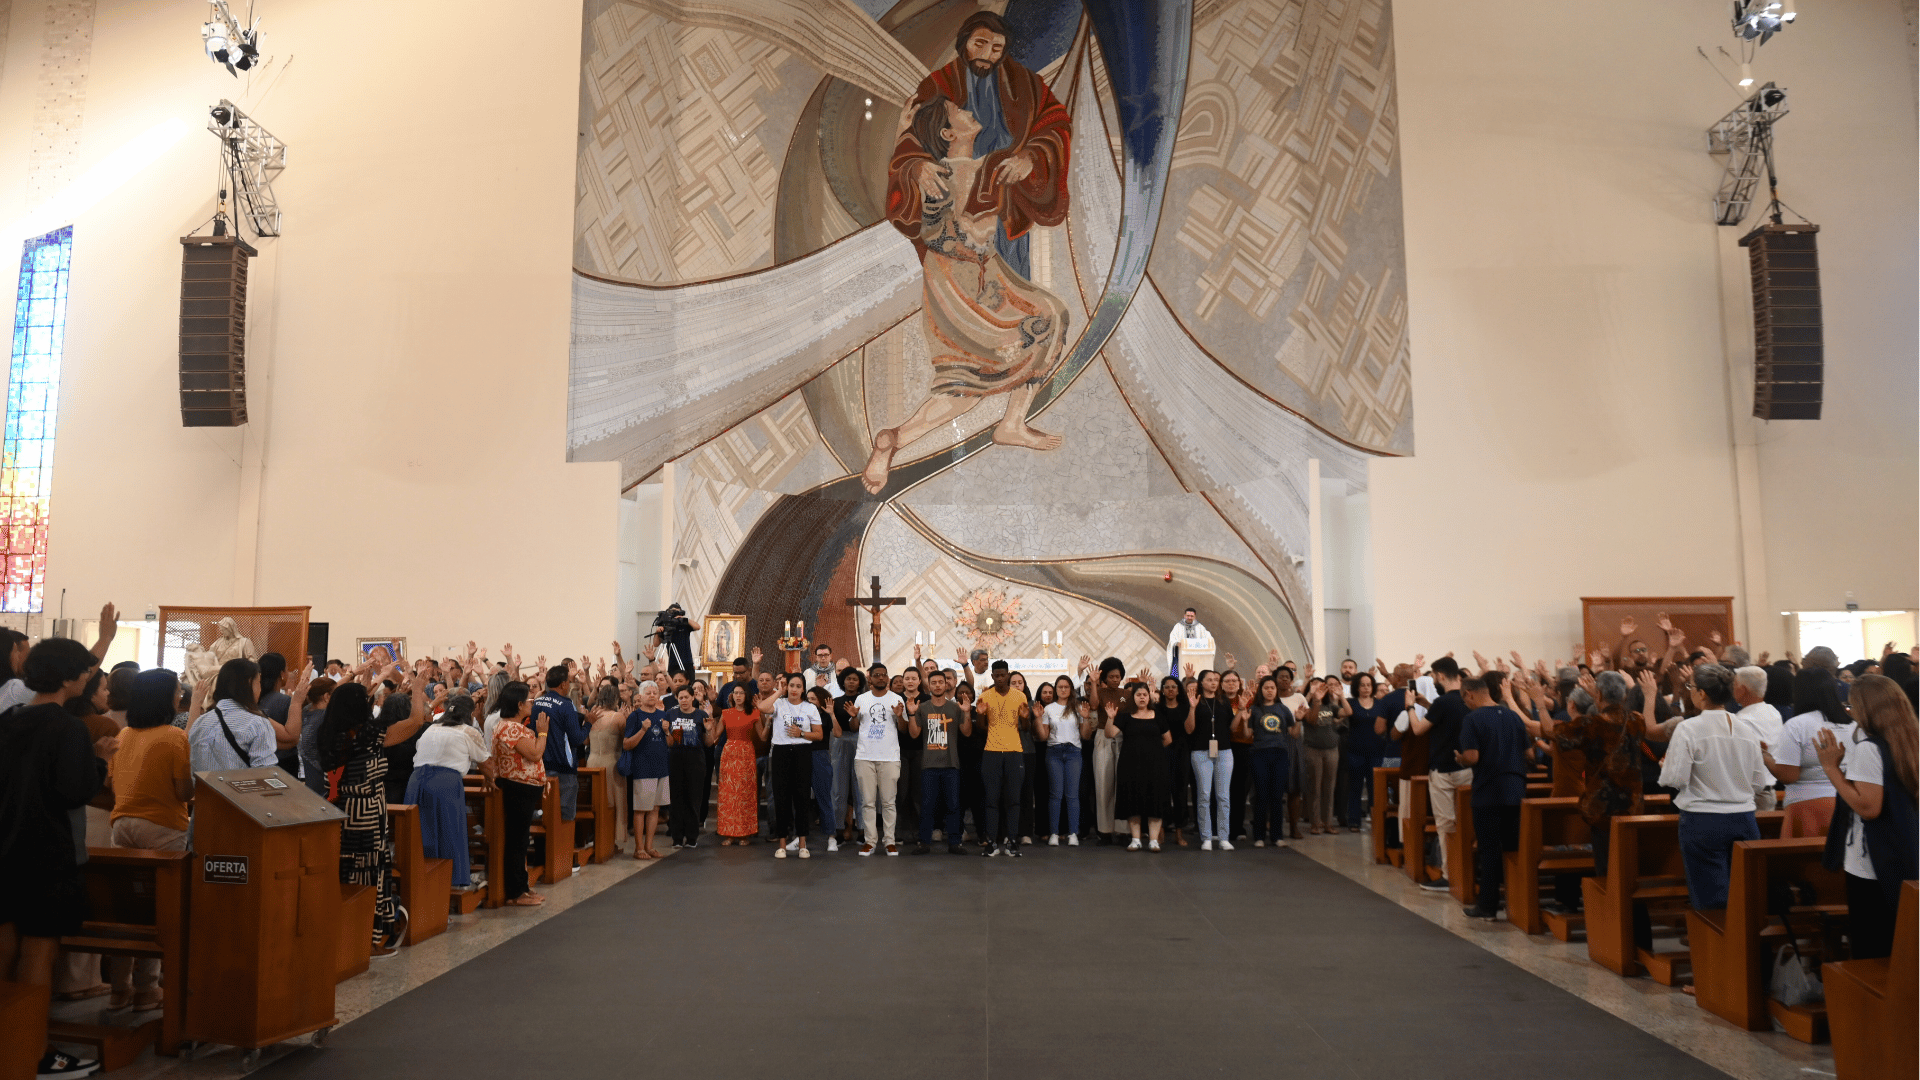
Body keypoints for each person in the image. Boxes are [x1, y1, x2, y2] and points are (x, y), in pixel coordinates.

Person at [866, 11, 1073, 493]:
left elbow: (1055, 126)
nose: (988, 56)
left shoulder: (1022, 88)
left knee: (976, 376)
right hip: (965, 274)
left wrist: (1032, 157)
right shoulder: (940, 93)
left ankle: (903, 439)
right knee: (1010, 347)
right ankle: (996, 423)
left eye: (997, 49)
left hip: (990, 255)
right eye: (980, 45)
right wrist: (915, 165)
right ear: (964, 42)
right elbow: (911, 157)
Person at [0, 637, 113, 1079]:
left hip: (5, 848)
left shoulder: (8, 719)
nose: (87, 677)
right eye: (83, 671)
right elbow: (73, 791)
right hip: (46, 852)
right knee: (38, 953)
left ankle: (5, 1048)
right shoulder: (67, 727)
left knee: (5, 949)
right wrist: (98, 761)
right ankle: (33, 1052)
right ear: (67, 677)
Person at [318, 672, 431, 951]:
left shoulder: (327, 731)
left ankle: (343, 932)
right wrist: (417, 689)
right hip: (366, 809)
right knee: (368, 870)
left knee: (345, 868)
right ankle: (367, 935)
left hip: (338, 807)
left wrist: (364, 686)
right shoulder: (367, 734)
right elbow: (415, 722)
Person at [100, 669, 188, 1012]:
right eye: (177, 691)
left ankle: (118, 990)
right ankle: (147, 989)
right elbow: (183, 791)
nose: (180, 696)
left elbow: (110, 784)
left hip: (122, 825)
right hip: (163, 827)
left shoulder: (123, 734)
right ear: (165, 698)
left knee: (127, 910)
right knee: (158, 910)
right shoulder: (174, 737)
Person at [1658, 664, 1774, 918]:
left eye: (1691, 687)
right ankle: (1745, 942)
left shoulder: (1688, 728)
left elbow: (1675, 778)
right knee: (1745, 896)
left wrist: (1666, 766)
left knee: (1711, 901)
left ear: (1701, 693)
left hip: (1703, 820)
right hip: (1744, 818)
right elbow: (1758, 782)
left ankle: (1717, 943)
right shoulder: (1746, 729)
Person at [1815, 674, 1918, 960]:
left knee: (1873, 947)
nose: (1850, 711)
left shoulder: (1869, 749)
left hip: (1874, 861)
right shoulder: (1912, 741)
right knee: (1903, 942)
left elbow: (1868, 808)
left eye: (1852, 705)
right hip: (1908, 848)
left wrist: (1831, 768)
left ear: (1866, 708)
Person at [1456, 676, 1532, 921]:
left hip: (1488, 791)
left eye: (1464, 699)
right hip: (1516, 790)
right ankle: (1518, 903)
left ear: (1469, 694)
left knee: (1489, 850)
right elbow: (1530, 753)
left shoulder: (1472, 719)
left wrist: (1460, 758)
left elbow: (1472, 757)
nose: (1466, 704)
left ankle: (1487, 907)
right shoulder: (1513, 716)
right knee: (1513, 849)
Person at [405, 692, 493, 888]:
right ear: (470, 713)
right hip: (445, 783)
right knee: (449, 832)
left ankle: (418, 881)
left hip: (417, 781)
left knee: (420, 834)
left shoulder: (431, 728)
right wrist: (491, 780)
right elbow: (487, 764)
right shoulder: (468, 731)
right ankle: (452, 882)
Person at [1767, 669, 1853, 838]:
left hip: (1807, 804)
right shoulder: (1852, 723)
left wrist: (1766, 758)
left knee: (1807, 855)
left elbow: (1788, 775)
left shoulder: (1797, 725)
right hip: (1849, 800)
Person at [1408, 657, 1469, 891]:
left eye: (1433, 676)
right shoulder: (1468, 698)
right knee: (1467, 821)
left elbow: (1417, 729)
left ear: (1441, 675)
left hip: (1444, 770)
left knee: (1446, 824)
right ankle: (1467, 870)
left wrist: (1410, 707)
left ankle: (1449, 874)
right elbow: (1450, 718)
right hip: (1467, 769)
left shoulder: (1443, 702)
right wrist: (1428, 705)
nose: (1433, 680)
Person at [490, 682, 550, 900]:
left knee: (521, 840)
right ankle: (516, 892)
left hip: (521, 788)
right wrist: (542, 733)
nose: (532, 703)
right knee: (518, 841)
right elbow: (534, 754)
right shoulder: (511, 728)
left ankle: (522, 887)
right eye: (529, 700)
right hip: (518, 789)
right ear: (519, 704)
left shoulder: (507, 726)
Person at [761, 673, 823, 857]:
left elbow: (819, 734)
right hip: (781, 752)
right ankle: (782, 844)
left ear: (803, 689)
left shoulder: (810, 708)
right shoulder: (779, 704)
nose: (794, 689)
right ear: (786, 687)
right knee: (781, 798)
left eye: (798, 686)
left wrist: (801, 733)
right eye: (791, 685)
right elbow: (762, 707)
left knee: (802, 798)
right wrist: (778, 692)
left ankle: (802, 843)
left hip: (802, 752)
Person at [1106, 683, 1172, 850]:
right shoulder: (1125, 716)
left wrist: (1153, 750)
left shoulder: (1158, 716)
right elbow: (1110, 733)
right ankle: (1135, 839)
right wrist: (1110, 717)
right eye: (1138, 695)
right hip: (1130, 765)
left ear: (1149, 697)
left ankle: (1153, 840)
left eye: (1144, 694)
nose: (1142, 697)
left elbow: (1168, 739)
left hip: (1155, 765)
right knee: (1132, 801)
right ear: (1133, 697)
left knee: (1155, 800)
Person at [974, 660, 1029, 856]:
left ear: (1008, 675)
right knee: (991, 799)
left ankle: (1012, 842)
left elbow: (1025, 728)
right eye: (996, 675)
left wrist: (1025, 717)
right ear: (992, 676)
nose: (999, 678)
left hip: (1014, 751)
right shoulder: (985, 696)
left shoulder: (1019, 696)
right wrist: (981, 714)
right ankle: (991, 843)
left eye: (1002, 675)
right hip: (992, 751)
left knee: (1013, 799)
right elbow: (981, 727)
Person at [849, 664, 906, 856]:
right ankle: (870, 841)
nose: (881, 677)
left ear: (888, 678)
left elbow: (903, 729)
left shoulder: (897, 699)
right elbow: (854, 727)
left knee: (889, 802)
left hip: (889, 757)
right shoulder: (861, 699)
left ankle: (889, 841)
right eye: (877, 675)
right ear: (870, 679)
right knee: (868, 802)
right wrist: (853, 717)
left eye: (884, 675)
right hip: (865, 756)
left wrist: (900, 717)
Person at [533, 666, 588, 858]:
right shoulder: (566, 704)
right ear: (564, 684)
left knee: (543, 812)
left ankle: (542, 855)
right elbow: (576, 738)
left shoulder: (538, 702)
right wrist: (588, 723)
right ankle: (563, 859)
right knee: (565, 813)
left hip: (541, 764)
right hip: (563, 767)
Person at [912, 669, 968, 855]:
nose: (937, 685)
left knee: (953, 805)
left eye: (940, 682)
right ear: (928, 685)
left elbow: (967, 732)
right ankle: (924, 842)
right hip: (929, 765)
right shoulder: (922, 708)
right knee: (927, 805)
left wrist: (967, 712)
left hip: (951, 764)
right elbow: (914, 734)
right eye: (933, 682)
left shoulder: (955, 708)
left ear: (946, 684)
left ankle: (955, 842)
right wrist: (911, 714)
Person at [188, 657, 279, 772]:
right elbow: (265, 773)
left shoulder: (199, 723)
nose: (260, 689)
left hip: (203, 784)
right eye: (259, 683)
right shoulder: (257, 724)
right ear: (249, 683)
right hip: (241, 784)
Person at [1185, 669, 1242, 851]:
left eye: (1216, 680)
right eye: (1209, 680)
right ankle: (1207, 837)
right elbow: (1189, 729)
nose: (1213, 683)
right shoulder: (1195, 701)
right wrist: (1192, 708)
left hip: (1224, 752)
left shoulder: (1223, 701)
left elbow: (1233, 728)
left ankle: (1224, 837)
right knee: (1204, 795)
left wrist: (1241, 711)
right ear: (1201, 682)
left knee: (1223, 796)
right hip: (1201, 752)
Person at [622, 681, 672, 861]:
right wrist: (643, 730)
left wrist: (667, 732)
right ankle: (639, 848)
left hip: (662, 768)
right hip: (643, 768)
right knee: (641, 809)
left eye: (654, 692)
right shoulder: (635, 716)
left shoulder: (663, 715)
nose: (652, 695)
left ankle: (650, 846)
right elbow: (626, 744)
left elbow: (671, 743)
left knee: (655, 808)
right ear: (640, 696)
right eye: (648, 692)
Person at [1247, 675, 1298, 848]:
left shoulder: (1283, 709)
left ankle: (1277, 835)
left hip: (1280, 754)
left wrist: (1299, 719)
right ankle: (1259, 835)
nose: (1269, 691)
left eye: (1272, 688)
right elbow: (1247, 734)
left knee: (1277, 796)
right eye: (1266, 688)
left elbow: (1294, 734)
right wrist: (1244, 719)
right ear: (1260, 690)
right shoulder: (1254, 709)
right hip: (1259, 754)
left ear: (1276, 691)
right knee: (1261, 795)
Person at [1038, 674, 1086, 846]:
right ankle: (1054, 833)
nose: (1063, 690)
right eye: (1060, 687)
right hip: (1054, 752)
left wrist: (1086, 717)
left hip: (1073, 752)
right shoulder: (1049, 709)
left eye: (1066, 687)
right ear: (1056, 689)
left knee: (1072, 795)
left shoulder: (1078, 707)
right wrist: (1038, 718)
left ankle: (1073, 833)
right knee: (1055, 794)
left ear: (1071, 689)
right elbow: (1043, 736)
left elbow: (1085, 734)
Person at [1082, 657, 1127, 844]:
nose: (1115, 680)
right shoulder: (1099, 691)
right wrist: (1093, 683)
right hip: (1103, 737)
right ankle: (1105, 831)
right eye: (1111, 677)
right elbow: (1093, 705)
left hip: (1123, 737)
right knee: (1103, 785)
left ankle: (1123, 831)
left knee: (1122, 786)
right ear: (1105, 678)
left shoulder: (1127, 694)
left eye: (1118, 676)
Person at [1731, 665, 1784, 812]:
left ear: (1742, 689)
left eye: (1734, 685)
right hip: (1768, 790)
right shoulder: (1773, 712)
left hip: (1751, 794)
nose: (1732, 689)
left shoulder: (1742, 720)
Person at [1300, 676, 1349, 835]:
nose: (1317, 687)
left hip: (1331, 750)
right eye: (1314, 684)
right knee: (1315, 787)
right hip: (1313, 750)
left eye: (1320, 685)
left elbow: (1348, 712)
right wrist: (1316, 701)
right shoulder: (1305, 706)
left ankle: (1328, 823)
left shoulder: (1330, 706)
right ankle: (1315, 823)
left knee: (1329, 787)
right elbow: (1312, 720)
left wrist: (1341, 696)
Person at [584, 683, 629, 850]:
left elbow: (585, 741)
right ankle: (611, 840)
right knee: (614, 802)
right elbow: (626, 741)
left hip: (592, 761)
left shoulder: (591, 715)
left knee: (595, 800)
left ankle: (595, 837)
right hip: (611, 763)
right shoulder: (617, 717)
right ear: (616, 699)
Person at [665, 686, 710, 849]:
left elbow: (708, 742)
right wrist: (667, 732)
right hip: (675, 759)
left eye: (686, 697)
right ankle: (677, 837)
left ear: (693, 698)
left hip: (695, 760)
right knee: (676, 800)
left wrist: (709, 730)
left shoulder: (701, 715)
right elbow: (670, 743)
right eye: (680, 698)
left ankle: (692, 837)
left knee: (693, 799)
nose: (683, 700)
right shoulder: (671, 714)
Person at [1344, 672, 1390, 832]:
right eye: (1362, 685)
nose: (1366, 688)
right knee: (1355, 788)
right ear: (1357, 687)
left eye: (1369, 685)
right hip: (1355, 751)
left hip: (1377, 751)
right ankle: (1354, 821)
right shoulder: (1351, 703)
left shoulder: (1380, 704)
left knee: (1375, 788)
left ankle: (1377, 820)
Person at [714, 685, 759, 845]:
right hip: (729, 753)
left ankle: (744, 833)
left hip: (746, 753)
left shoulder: (754, 712)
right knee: (728, 794)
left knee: (745, 794)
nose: (738, 696)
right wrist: (709, 725)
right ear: (732, 696)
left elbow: (762, 736)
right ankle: (729, 833)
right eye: (736, 693)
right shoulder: (726, 713)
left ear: (746, 696)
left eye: (741, 693)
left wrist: (768, 722)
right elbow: (715, 735)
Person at [827, 668, 866, 850]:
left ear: (860, 682)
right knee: (838, 788)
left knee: (861, 789)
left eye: (854, 679)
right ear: (843, 681)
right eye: (848, 679)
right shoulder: (835, 702)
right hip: (840, 742)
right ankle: (839, 830)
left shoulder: (864, 700)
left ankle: (863, 831)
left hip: (861, 743)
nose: (851, 682)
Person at [296, 676, 337, 797]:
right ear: (326, 696)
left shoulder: (306, 710)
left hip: (309, 774)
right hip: (323, 776)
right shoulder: (327, 716)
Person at [650, 604, 701, 674]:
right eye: (673, 612)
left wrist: (685, 619)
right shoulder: (665, 626)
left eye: (677, 612)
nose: (675, 614)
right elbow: (655, 644)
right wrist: (657, 632)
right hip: (673, 663)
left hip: (687, 662)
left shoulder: (684, 624)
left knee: (688, 680)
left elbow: (698, 627)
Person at [1165, 607, 1209, 679]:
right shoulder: (1178, 626)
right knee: (1178, 674)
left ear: (1195, 617)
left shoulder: (1200, 627)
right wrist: (1177, 643)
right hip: (1181, 656)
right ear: (1184, 616)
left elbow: (1207, 638)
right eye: (1188, 616)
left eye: (1192, 616)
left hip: (1195, 656)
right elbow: (1172, 638)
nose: (1189, 618)